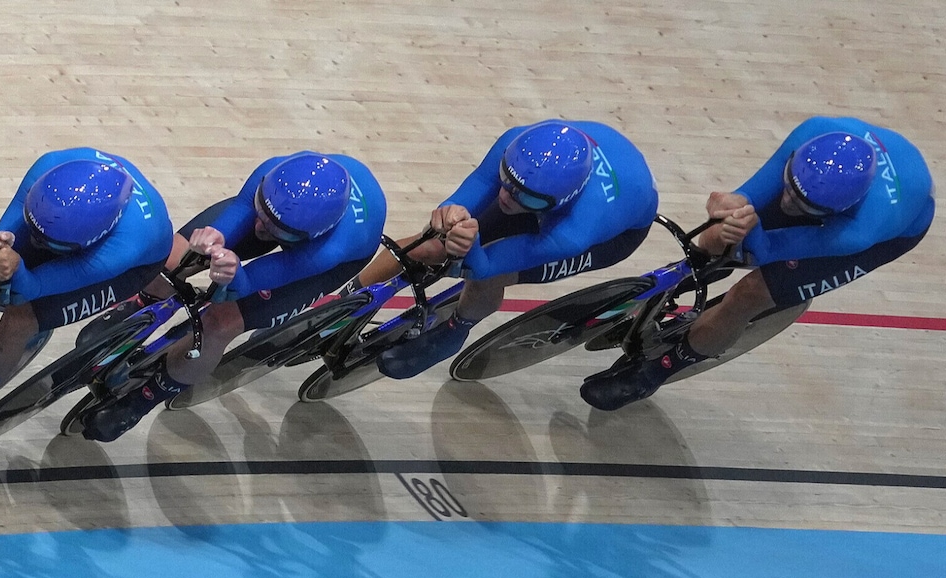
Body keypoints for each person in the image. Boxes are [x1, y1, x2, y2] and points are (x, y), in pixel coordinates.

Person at [581, 116, 936, 410]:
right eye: (788, 187)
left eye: (801, 204)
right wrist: (725, 209)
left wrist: (747, 232)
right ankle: (673, 286)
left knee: (751, 292)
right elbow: (740, 200)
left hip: (890, 232)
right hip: (821, 186)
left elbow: (763, 252)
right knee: (719, 234)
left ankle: (657, 371)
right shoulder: (813, 133)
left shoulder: (858, 231)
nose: (787, 203)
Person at [79, 151, 387, 442]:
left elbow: (247, 283)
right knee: (174, 256)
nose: (259, 226)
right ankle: (140, 305)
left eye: (274, 227)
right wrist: (214, 237)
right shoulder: (274, 176)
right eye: (261, 211)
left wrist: (233, 273)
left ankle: (143, 400)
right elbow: (238, 217)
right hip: (285, 214)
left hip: (323, 257)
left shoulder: (329, 250)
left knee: (221, 322)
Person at [0, 148, 174, 445]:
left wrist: (14, 271)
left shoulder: (124, 248)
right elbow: (3, 234)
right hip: (59, 224)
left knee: (21, 319)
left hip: (127, 267)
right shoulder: (49, 165)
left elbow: (32, 288)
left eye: (50, 244)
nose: (39, 245)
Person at [345, 120, 659, 380]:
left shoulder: (576, 230)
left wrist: (467, 250)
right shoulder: (518, 146)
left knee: (489, 275)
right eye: (505, 179)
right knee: (430, 244)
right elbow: (466, 199)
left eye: (526, 197)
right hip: (544, 186)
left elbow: (485, 266)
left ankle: (456, 329)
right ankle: (344, 302)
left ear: (557, 202)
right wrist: (449, 216)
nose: (506, 197)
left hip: (612, 237)